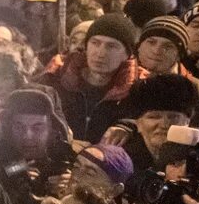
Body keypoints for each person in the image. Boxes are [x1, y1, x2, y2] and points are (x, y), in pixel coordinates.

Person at [37, 14, 144, 143]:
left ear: (127, 54)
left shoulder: (137, 90)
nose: (100, 53)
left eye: (111, 46)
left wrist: (128, 126)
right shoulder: (55, 78)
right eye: (95, 43)